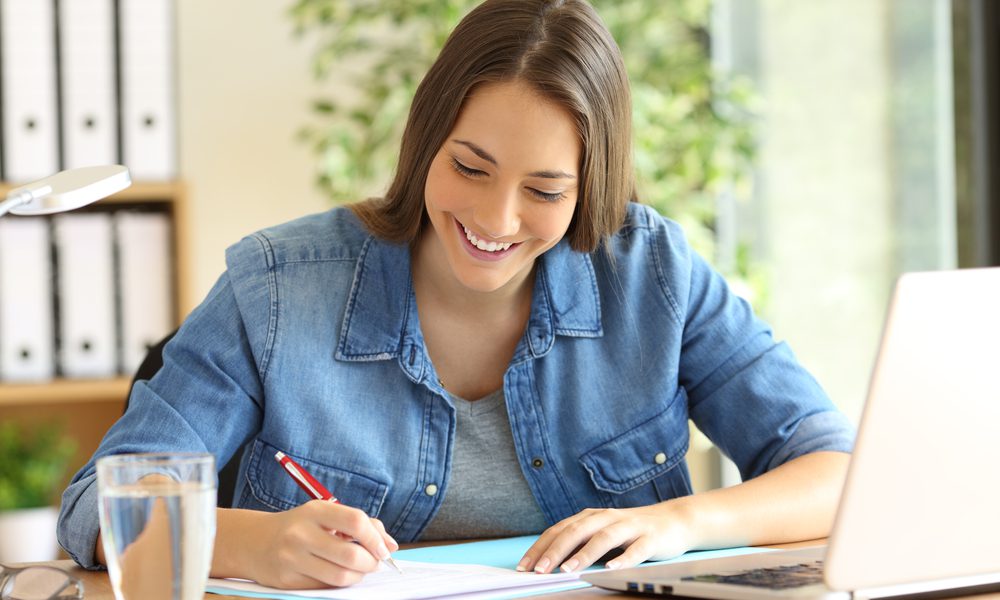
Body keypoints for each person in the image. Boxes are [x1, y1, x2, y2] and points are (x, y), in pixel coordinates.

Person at [58, 0, 855, 589]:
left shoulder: (653, 275)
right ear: (425, 141)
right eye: (470, 167)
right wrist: (243, 542)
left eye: (544, 190)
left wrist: (679, 522)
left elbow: (836, 468)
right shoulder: (276, 289)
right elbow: (97, 506)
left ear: (590, 189)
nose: (495, 219)